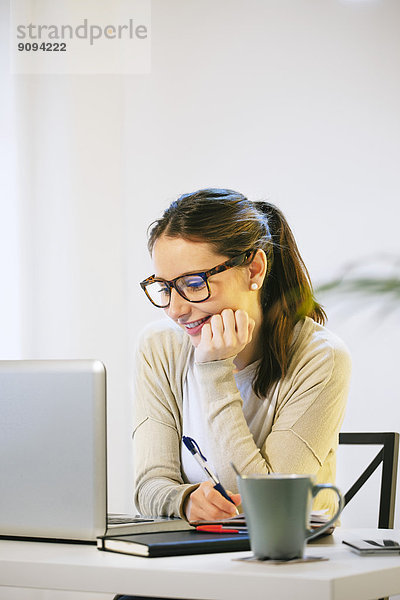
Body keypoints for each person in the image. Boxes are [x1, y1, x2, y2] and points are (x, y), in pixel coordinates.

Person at [133, 187, 351, 523]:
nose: (175, 310)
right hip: (194, 558)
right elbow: (149, 485)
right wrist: (185, 500)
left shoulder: (321, 358)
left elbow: (271, 508)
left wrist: (214, 372)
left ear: (253, 271)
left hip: (291, 561)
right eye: (165, 287)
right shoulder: (160, 347)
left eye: (193, 284)